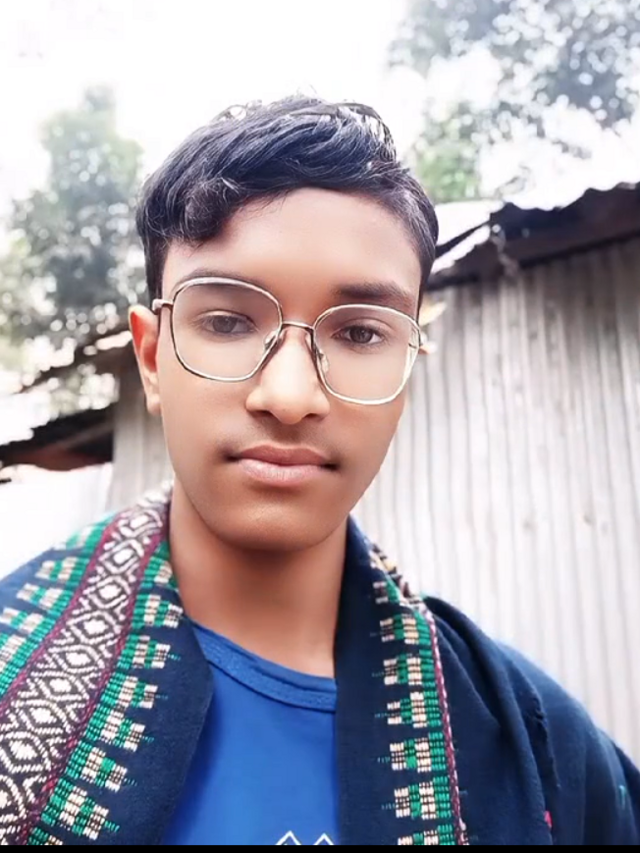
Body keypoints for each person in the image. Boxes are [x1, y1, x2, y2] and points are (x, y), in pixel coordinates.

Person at [0, 97, 637, 848]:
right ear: (150, 360)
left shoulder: (541, 752)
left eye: (361, 333)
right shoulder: (14, 671)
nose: (291, 395)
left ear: (406, 373)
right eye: (227, 321)